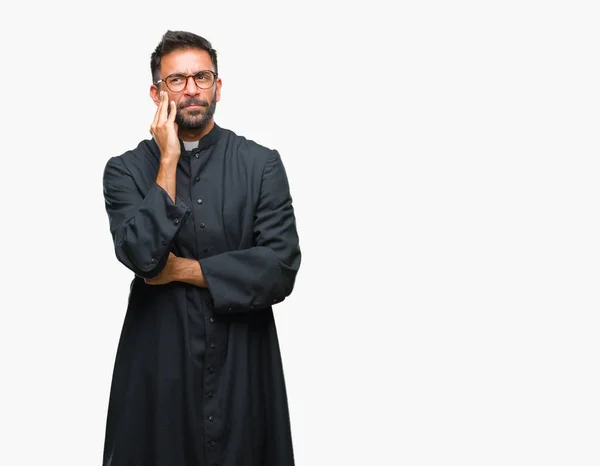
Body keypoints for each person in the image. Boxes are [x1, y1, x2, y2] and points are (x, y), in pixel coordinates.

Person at [101, 30, 301, 466]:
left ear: (219, 86)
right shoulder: (125, 172)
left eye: (202, 77)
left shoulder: (260, 164)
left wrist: (187, 271)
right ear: (157, 92)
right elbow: (141, 255)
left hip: (244, 368)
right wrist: (168, 160)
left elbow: (280, 266)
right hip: (158, 366)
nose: (191, 89)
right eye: (177, 80)